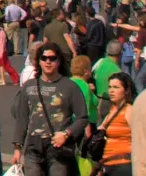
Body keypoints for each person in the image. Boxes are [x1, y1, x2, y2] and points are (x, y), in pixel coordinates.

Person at [11, 42, 89, 176]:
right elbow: (22, 118)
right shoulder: (29, 86)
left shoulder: (70, 86)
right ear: (39, 61)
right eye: (44, 58)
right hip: (33, 146)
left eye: (52, 58)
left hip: (58, 147)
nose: (48, 62)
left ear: (59, 61)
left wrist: (66, 134)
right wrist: (17, 148)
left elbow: (82, 118)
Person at [96, 72, 136, 176]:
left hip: (123, 164)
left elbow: (139, 138)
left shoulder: (129, 110)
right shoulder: (112, 110)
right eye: (110, 87)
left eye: (116, 87)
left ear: (126, 90)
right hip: (107, 164)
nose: (111, 91)